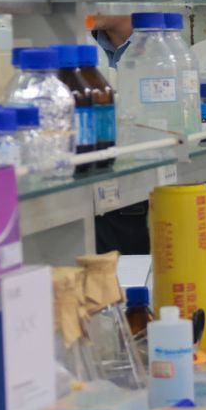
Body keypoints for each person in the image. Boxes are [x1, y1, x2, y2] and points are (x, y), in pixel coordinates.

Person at [89, 13, 148, 256]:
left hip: (149, 200)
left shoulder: (163, 48)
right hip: (92, 202)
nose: (89, 2)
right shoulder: (81, 44)